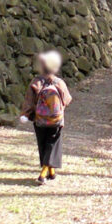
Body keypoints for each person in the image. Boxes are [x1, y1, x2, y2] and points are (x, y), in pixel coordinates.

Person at [19, 50, 72, 185]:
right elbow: (67, 99)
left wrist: (25, 115)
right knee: (52, 143)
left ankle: (47, 171)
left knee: (42, 144)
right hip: (56, 120)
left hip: (40, 120)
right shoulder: (59, 82)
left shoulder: (36, 82)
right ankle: (47, 171)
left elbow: (29, 101)